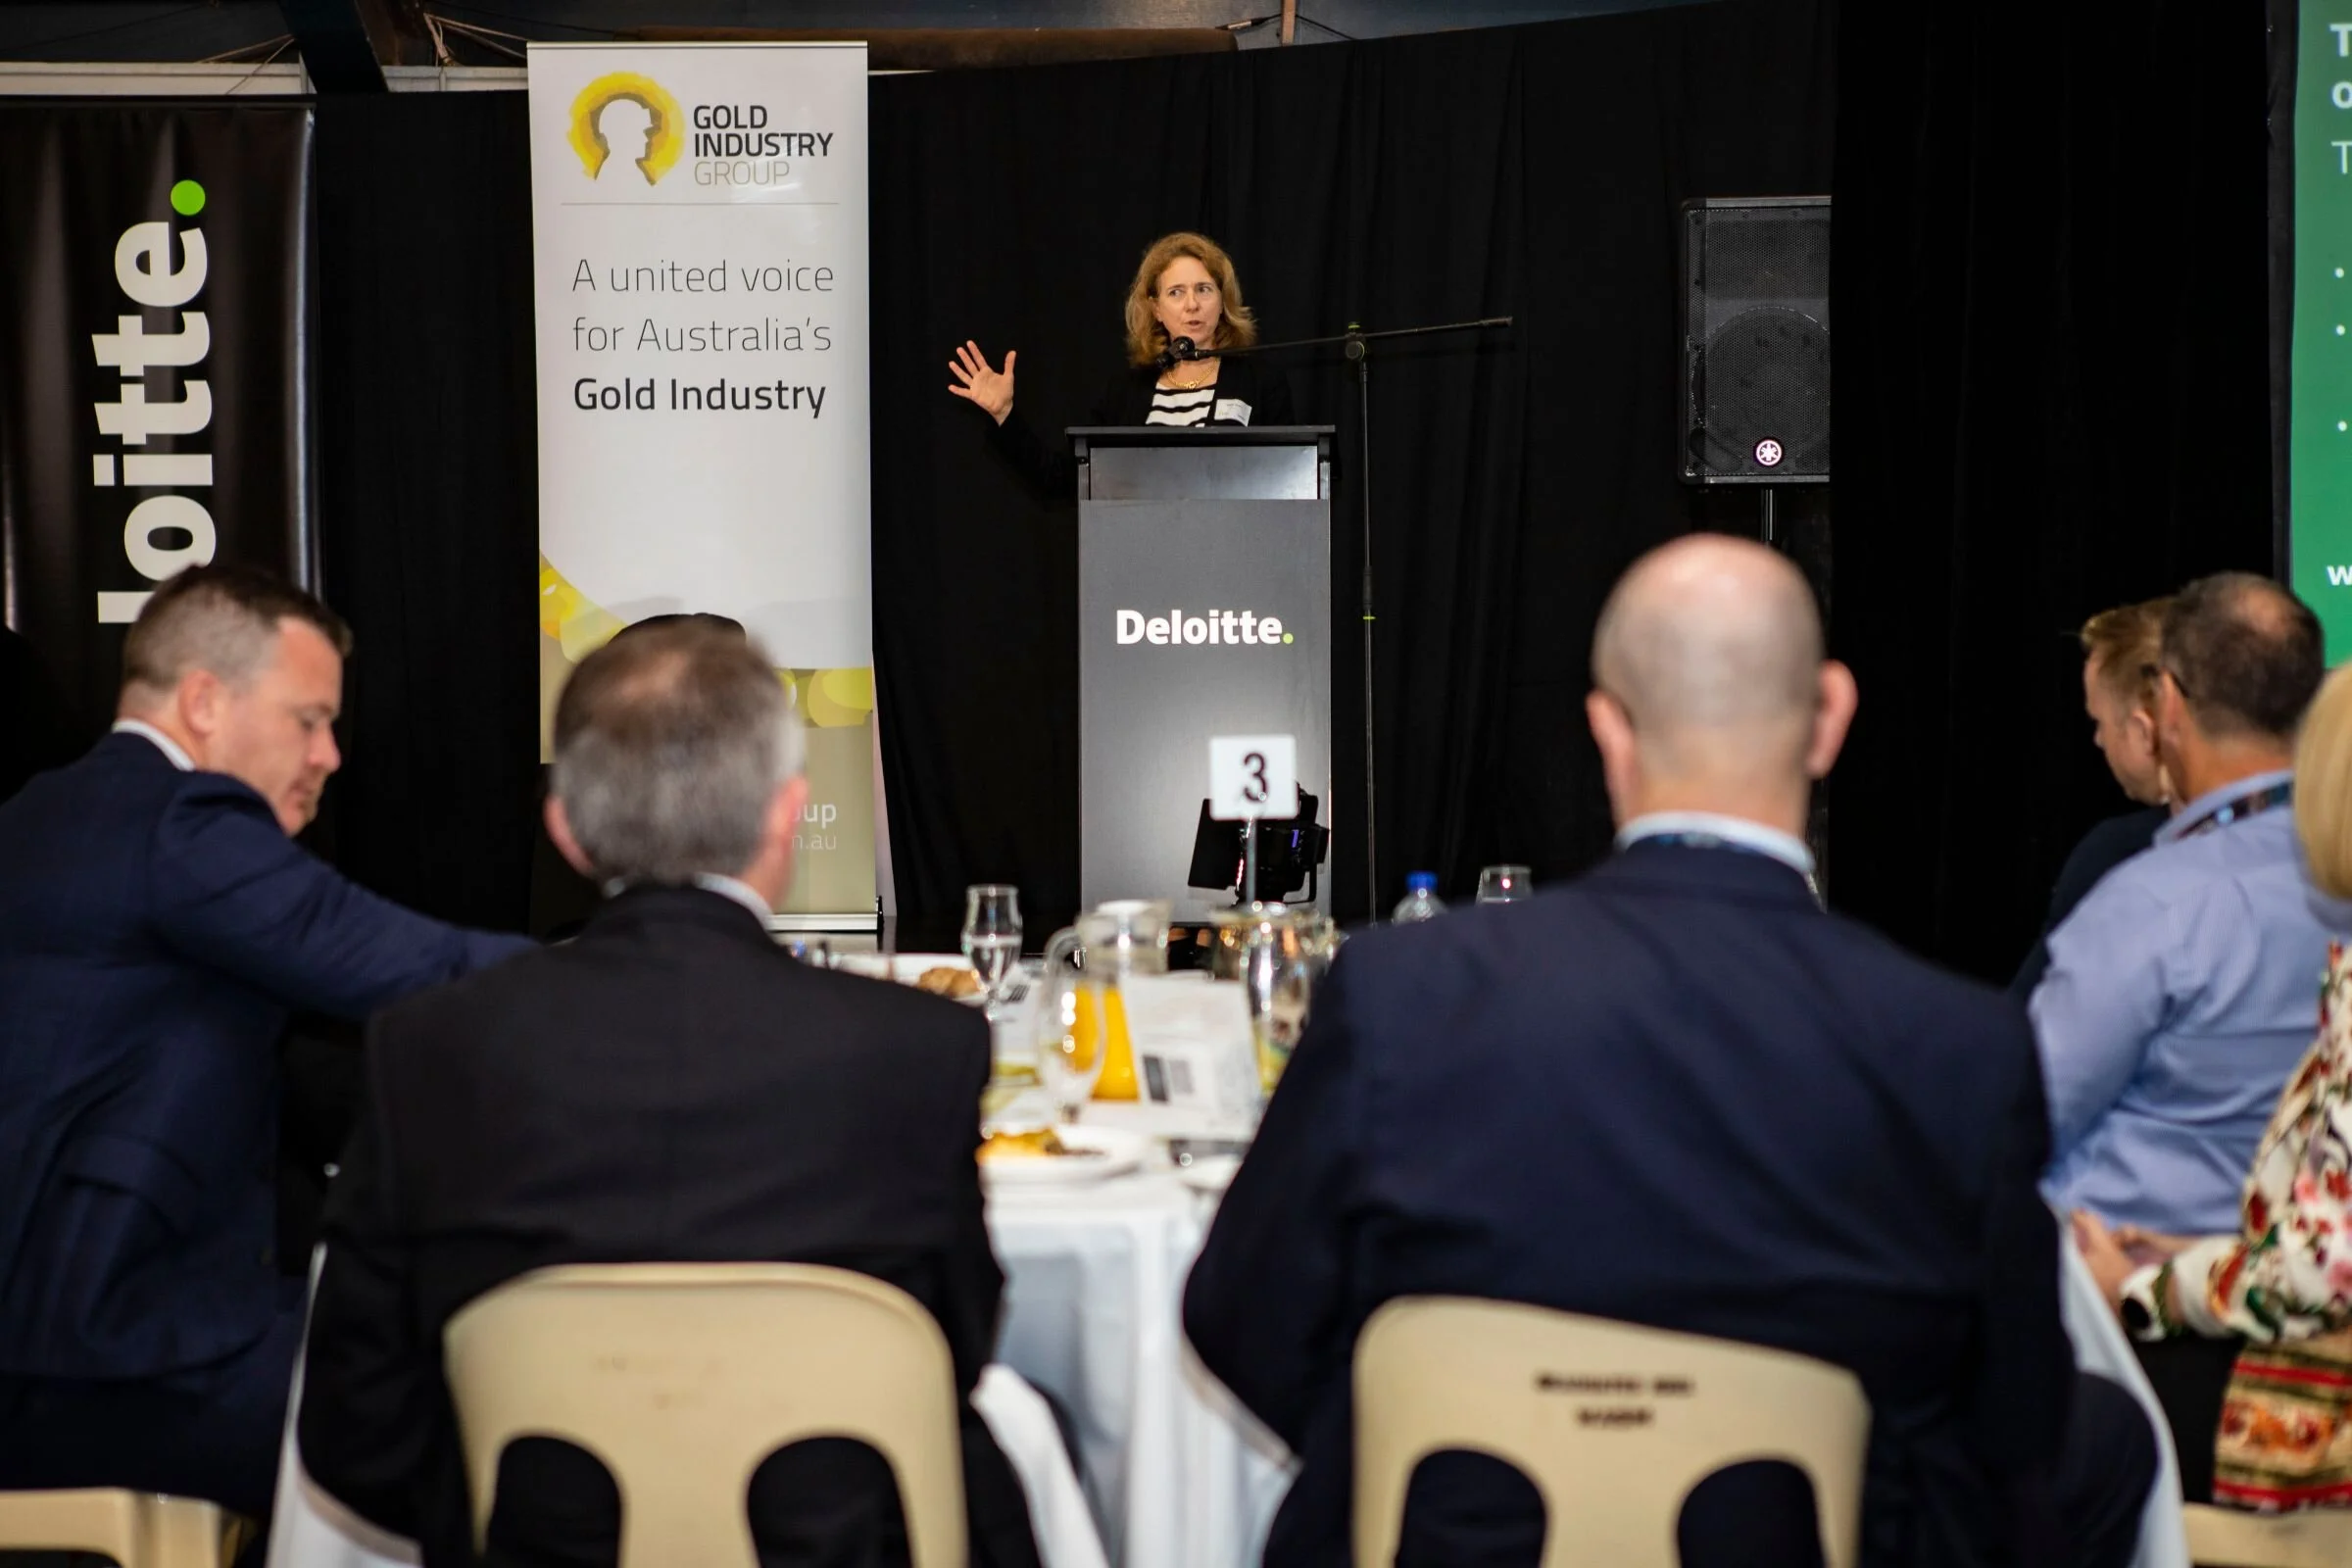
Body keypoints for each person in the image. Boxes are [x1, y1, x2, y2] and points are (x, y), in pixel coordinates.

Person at [1184, 534, 2154, 1568]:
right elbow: (2009, 1423)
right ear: (1831, 717)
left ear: (1607, 729)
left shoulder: (1401, 994)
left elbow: (1241, 1317)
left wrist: (1416, 1450)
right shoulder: (1959, 1048)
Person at [298, 619, 1042, 1568]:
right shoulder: (918, 1047)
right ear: (789, 814)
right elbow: (955, 1346)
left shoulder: (427, 1047)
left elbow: (356, 1422)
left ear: (564, 828)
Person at [0, 564, 529, 1519]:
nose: (330, 754)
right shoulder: (180, 823)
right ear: (204, 702)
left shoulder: (46, 810)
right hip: (98, 1358)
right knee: (485, 1400)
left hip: (70, 1330)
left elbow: (286, 1071)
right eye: (308, 720)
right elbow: (414, 965)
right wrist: (644, 973)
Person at [2074, 659, 2352, 1512]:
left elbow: (2327, 1271)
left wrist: (2143, 1290)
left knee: (2058, 1438)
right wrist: (2193, 1260)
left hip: (2318, 1429)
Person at [2034, 572, 2345, 1239]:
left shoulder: (2152, 907)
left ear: (2169, 703)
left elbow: (2023, 1115)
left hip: (2131, 1281)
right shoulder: (2336, 873)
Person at [948, 230, 1297, 501]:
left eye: (1204, 289)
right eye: (1176, 292)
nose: (1192, 304)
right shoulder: (1126, 393)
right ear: (1156, 309)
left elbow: (1290, 482)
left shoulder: (1259, 383)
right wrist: (1005, 415)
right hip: (1140, 559)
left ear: (1222, 301)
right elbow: (1063, 482)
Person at [2008, 598, 2175, 998]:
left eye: (2099, 722)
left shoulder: (2116, 857)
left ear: (2143, 732)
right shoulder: (2301, 838)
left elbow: (2027, 1018)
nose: (2098, 740)